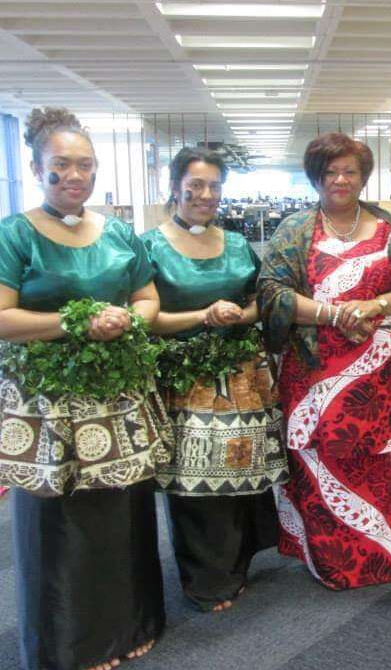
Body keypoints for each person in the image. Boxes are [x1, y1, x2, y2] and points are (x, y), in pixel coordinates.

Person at [0, 107, 168, 670]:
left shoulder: (119, 232)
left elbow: (147, 299)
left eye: (85, 164)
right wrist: (78, 323)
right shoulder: (15, 233)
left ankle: (131, 625)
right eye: (62, 164)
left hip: (115, 396)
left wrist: (126, 321)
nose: (75, 175)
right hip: (47, 405)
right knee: (59, 521)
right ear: (38, 168)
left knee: (122, 512)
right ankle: (71, 644)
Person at [257, 133, 391, 590]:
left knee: (378, 464)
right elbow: (271, 293)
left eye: (349, 171)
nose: (340, 179)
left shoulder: (389, 227)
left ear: (363, 176)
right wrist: (334, 315)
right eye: (330, 172)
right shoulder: (295, 229)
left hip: (381, 376)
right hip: (313, 374)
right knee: (320, 464)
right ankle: (329, 563)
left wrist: (375, 306)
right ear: (316, 177)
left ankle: (380, 557)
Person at [143, 147, 288, 611]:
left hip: (243, 377)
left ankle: (237, 564)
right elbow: (145, 317)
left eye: (214, 186)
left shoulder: (238, 244)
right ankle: (204, 579)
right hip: (186, 379)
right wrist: (204, 316)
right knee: (194, 479)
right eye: (195, 186)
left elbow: (259, 302)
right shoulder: (150, 246)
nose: (205, 195)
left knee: (243, 468)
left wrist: (238, 315)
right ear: (175, 187)